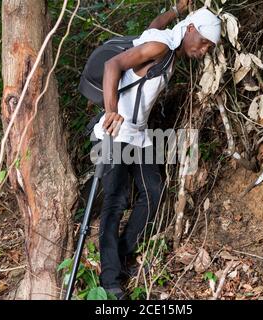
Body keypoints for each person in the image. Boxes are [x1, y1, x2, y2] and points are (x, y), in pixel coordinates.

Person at [92, 1, 222, 299]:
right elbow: (113, 65)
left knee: (153, 192)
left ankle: (122, 254)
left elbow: (154, 24)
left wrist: (176, 10)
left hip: (138, 134)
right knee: (115, 200)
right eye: (203, 43)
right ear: (191, 30)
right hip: (116, 129)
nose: (203, 51)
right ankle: (109, 279)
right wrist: (111, 111)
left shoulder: (165, 41)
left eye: (208, 48)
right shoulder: (160, 47)